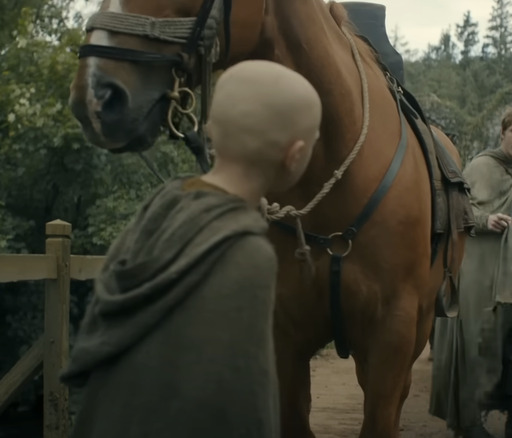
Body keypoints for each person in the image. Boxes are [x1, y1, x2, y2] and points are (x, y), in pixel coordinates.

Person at [60, 60, 322, 438]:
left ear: (210, 130)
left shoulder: (162, 205)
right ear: (295, 155)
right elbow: (245, 395)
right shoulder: (248, 253)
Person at [430, 105, 512, 438]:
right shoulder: (481, 167)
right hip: (484, 278)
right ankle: (471, 423)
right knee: (478, 350)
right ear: (502, 133)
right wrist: (486, 220)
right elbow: (458, 212)